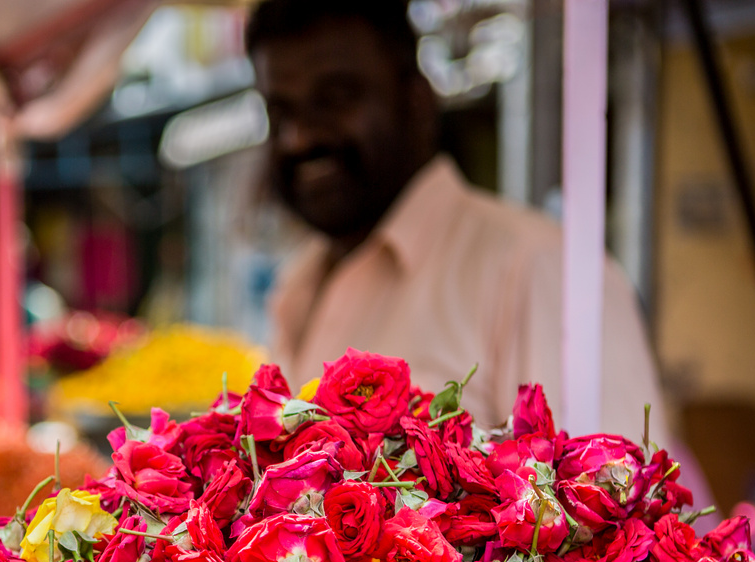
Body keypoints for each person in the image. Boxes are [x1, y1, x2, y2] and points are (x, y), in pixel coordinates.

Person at [249, 0, 673, 446]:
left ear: (417, 101)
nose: (299, 137)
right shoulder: (297, 285)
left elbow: (616, 500)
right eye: (280, 113)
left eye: (334, 99)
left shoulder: (540, 270)